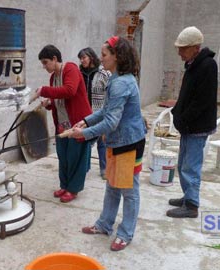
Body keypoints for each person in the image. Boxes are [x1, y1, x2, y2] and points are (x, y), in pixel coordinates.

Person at [70, 36, 146, 251]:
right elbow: (106, 110)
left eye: (104, 55)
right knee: (112, 185)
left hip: (128, 143)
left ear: (117, 56)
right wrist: (85, 120)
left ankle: (126, 233)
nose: (100, 59)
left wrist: (83, 134)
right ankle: (104, 225)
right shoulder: (117, 77)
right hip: (118, 141)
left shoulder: (121, 83)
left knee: (128, 191)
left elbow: (111, 122)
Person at [167, 26, 218, 218]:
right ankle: (187, 196)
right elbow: (187, 95)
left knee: (191, 167)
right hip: (188, 126)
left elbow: (202, 101)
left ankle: (192, 205)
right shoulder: (193, 64)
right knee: (182, 165)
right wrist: (177, 112)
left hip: (197, 126)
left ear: (195, 47)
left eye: (183, 48)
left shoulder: (207, 66)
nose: (179, 52)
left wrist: (184, 118)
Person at [34, 44, 92, 203]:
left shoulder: (71, 69)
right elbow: (59, 100)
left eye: (46, 62)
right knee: (63, 157)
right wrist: (49, 103)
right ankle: (64, 185)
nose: (44, 66)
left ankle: (73, 189)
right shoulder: (53, 77)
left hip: (77, 124)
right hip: (62, 124)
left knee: (75, 158)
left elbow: (70, 90)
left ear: (54, 58)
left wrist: (44, 90)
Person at [78, 47, 111, 179]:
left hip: (100, 111)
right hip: (85, 114)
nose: (82, 60)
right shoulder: (79, 72)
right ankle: (84, 168)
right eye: (80, 58)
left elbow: (110, 92)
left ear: (91, 57)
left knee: (102, 142)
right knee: (85, 141)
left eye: (84, 57)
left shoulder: (103, 73)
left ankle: (104, 169)